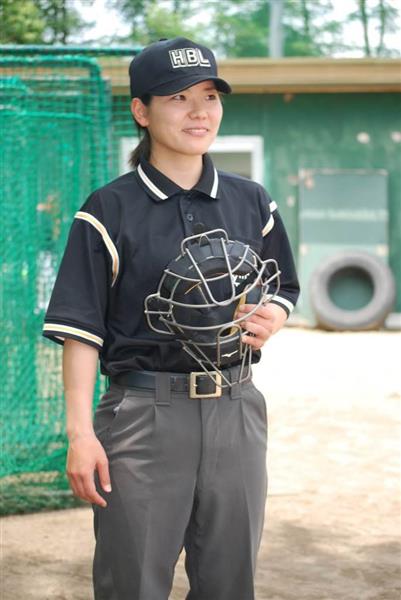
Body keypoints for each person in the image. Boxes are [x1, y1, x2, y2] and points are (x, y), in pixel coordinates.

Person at [42, 37, 300, 600]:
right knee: (132, 583)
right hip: (142, 415)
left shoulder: (250, 199)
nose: (200, 111)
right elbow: (81, 330)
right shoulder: (108, 208)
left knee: (230, 583)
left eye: (209, 95)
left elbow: (285, 286)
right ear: (141, 110)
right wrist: (80, 433)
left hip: (237, 408)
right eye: (178, 97)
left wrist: (272, 315)